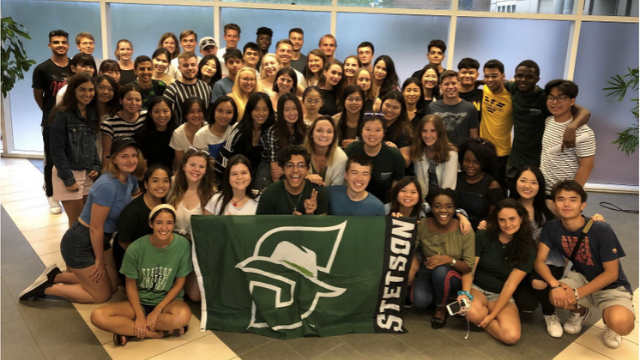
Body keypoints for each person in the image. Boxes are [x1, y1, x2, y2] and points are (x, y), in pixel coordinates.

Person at [20, 137, 145, 303]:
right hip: (81, 242)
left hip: (102, 240)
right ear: (113, 158)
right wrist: (99, 260)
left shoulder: (130, 178)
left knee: (114, 286)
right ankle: (46, 288)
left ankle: (56, 277)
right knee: (102, 295)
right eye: (124, 156)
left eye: (134, 155)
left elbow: (137, 197)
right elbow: (95, 227)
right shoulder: (107, 185)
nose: (130, 160)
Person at [535, 181, 635, 349]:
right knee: (555, 295)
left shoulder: (601, 229)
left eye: (573, 200)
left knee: (623, 325)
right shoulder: (552, 227)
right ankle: (580, 312)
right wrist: (554, 285)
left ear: (583, 205)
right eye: (561, 199)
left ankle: (611, 323)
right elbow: (539, 260)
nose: (566, 204)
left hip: (612, 285)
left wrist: (576, 294)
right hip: (582, 276)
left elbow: (612, 273)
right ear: (554, 203)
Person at [89, 204, 192, 347]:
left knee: (183, 315)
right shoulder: (135, 248)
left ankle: (129, 330)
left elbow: (179, 283)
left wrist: (158, 310)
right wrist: (139, 315)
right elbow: (130, 285)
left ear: (174, 224)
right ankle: (159, 332)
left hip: (168, 302)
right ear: (151, 224)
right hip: (139, 301)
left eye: (169, 223)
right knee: (97, 316)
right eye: (159, 222)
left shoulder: (183, 245)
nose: (164, 228)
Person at [506, 61, 591, 191]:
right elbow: (500, 81)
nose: (523, 80)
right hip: (515, 159)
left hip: (537, 162)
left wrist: (572, 127)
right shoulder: (514, 89)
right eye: (519, 76)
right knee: (514, 199)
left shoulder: (544, 98)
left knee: (533, 201)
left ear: (537, 79)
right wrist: (478, 83)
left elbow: (584, 112)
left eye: (529, 77)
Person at [462, 199, 537, 345]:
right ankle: (478, 314)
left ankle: (484, 317)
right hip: (477, 288)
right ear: (496, 221)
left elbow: (510, 285)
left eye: (512, 219)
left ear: (521, 218)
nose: (508, 224)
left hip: (501, 293)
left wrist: (492, 317)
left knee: (511, 337)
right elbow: (470, 268)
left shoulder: (528, 248)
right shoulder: (483, 236)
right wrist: (464, 294)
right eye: (502, 220)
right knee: (471, 311)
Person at [409, 188, 475, 328]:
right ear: (431, 208)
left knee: (441, 271)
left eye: (448, 206)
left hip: (452, 272)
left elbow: (468, 266)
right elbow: (412, 249)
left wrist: (448, 260)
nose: (443, 210)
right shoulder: (424, 225)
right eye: (437, 206)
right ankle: (441, 293)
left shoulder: (465, 229)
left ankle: (441, 307)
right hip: (428, 268)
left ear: (455, 209)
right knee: (419, 302)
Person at [49, 73, 101, 226]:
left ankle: (85, 250)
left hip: (87, 173)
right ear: (73, 91)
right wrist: (68, 179)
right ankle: (73, 250)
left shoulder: (91, 112)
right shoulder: (62, 115)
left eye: (91, 90)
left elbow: (92, 145)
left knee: (87, 220)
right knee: (76, 223)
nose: (87, 94)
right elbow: (57, 150)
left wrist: (96, 165)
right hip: (68, 173)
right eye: (82, 90)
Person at [112, 165, 172, 286]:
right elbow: (123, 241)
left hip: (155, 254)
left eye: (165, 181)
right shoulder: (132, 212)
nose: (161, 185)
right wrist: (145, 259)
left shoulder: (167, 204)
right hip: (131, 255)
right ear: (146, 185)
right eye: (155, 180)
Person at [33, 29, 71, 215]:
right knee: (51, 159)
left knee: (70, 157)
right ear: (50, 45)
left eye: (63, 42)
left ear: (68, 45)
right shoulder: (42, 69)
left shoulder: (75, 67)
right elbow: (39, 97)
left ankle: (67, 190)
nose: (60, 45)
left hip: (73, 122)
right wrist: (51, 114)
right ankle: (51, 195)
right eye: (56, 42)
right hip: (51, 121)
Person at [540, 80, 596, 203]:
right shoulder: (548, 121)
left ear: (572, 101)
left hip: (564, 194)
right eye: (551, 98)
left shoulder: (583, 132)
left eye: (561, 98)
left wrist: (572, 196)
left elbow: (587, 166)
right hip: (544, 190)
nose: (555, 102)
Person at [216, 93, 275, 183]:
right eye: (256, 109)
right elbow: (224, 159)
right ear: (249, 110)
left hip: (257, 179)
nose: (261, 113)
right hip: (234, 179)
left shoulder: (270, 131)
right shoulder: (239, 132)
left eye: (265, 109)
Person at [345, 113, 405, 202]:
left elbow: (397, 185)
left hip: (384, 204)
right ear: (361, 131)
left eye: (378, 130)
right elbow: (344, 179)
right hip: (352, 200)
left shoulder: (394, 155)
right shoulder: (351, 149)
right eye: (368, 129)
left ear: (384, 133)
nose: (372, 134)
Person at [257, 145, 328, 215]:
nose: (295, 170)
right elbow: (263, 225)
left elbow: (323, 224)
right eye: (290, 165)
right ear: (282, 169)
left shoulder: (317, 191)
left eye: (301, 166)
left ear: (307, 169)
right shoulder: (270, 194)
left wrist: (310, 214)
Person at [456, 138, 503, 229]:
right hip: (456, 228)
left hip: (481, 230)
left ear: (483, 163)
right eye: (467, 161)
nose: (470, 165)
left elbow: (494, 217)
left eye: (476, 162)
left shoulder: (492, 185)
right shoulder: (456, 178)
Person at [479, 59, 512, 193]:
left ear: (503, 76)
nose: (489, 80)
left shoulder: (511, 95)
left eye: (494, 76)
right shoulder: (485, 88)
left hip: (501, 152)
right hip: (482, 148)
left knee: (498, 189)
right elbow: (483, 82)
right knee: (482, 187)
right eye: (486, 76)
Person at [261, 93, 308, 184]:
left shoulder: (306, 129)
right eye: (286, 109)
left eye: (295, 108)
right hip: (272, 171)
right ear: (280, 112)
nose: (292, 113)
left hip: (297, 169)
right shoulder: (273, 131)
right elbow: (274, 168)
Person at [426, 70, 479, 147]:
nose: (450, 87)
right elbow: (428, 134)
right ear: (440, 87)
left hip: (461, 155)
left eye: (454, 83)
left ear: (459, 85)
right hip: (438, 154)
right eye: (446, 84)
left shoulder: (470, 108)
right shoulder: (432, 107)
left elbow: (473, 138)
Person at [410, 115, 458, 197]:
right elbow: (421, 183)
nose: (428, 135)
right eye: (424, 131)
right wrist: (425, 205)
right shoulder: (419, 150)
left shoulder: (451, 154)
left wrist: (435, 205)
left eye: (433, 131)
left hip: (444, 200)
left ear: (440, 132)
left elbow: (448, 187)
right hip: (425, 200)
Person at [101, 83, 146, 163]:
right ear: (121, 101)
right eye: (129, 99)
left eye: (137, 100)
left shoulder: (146, 116)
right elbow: (107, 155)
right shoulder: (109, 124)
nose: (133, 103)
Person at [163, 52, 211, 123]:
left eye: (193, 65)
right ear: (179, 68)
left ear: (197, 67)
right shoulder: (171, 91)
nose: (190, 68)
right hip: (179, 132)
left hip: (204, 132)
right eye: (185, 65)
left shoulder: (206, 88)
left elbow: (209, 114)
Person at [303, 116, 348, 187]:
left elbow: (336, 190)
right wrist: (306, 179)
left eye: (329, 131)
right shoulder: (301, 154)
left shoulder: (341, 158)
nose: (324, 135)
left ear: (334, 136)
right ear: (312, 134)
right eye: (319, 130)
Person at [133, 97, 176, 170]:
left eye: (165, 111)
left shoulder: (177, 131)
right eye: (156, 112)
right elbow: (142, 164)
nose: (162, 115)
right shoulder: (141, 134)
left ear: (171, 112)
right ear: (150, 113)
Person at [194, 95, 237, 160]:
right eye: (220, 111)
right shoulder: (200, 135)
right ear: (213, 111)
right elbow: (199, 162)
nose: (224, 115)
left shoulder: (235, 129)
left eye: (229, 112)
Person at [380, 90, 413, 167]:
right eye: (387, 105)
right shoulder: (375, 122)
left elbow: (406, 163)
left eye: (395, 107)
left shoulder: (404, 130)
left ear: (401, 110)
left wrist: (396, 152)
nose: (390, 110)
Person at [170, 97, 207, 166]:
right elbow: (181, 162)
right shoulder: (178, 134)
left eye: (199, 111)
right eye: (191, 111)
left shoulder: (210, 129)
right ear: (185, 114)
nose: (196, 115)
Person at [93, 74, 119, 158]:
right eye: (101, 87)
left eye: (110, 89)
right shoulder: (85, 112)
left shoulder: (115, 114)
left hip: (110, 159)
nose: (106, 92)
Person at [457, 58, 482, 123]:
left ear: (477, 75)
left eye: (471, 73)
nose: (467, 76)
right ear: (458, 74)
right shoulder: (450, 95)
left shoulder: (483, 96)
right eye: (464, 72)